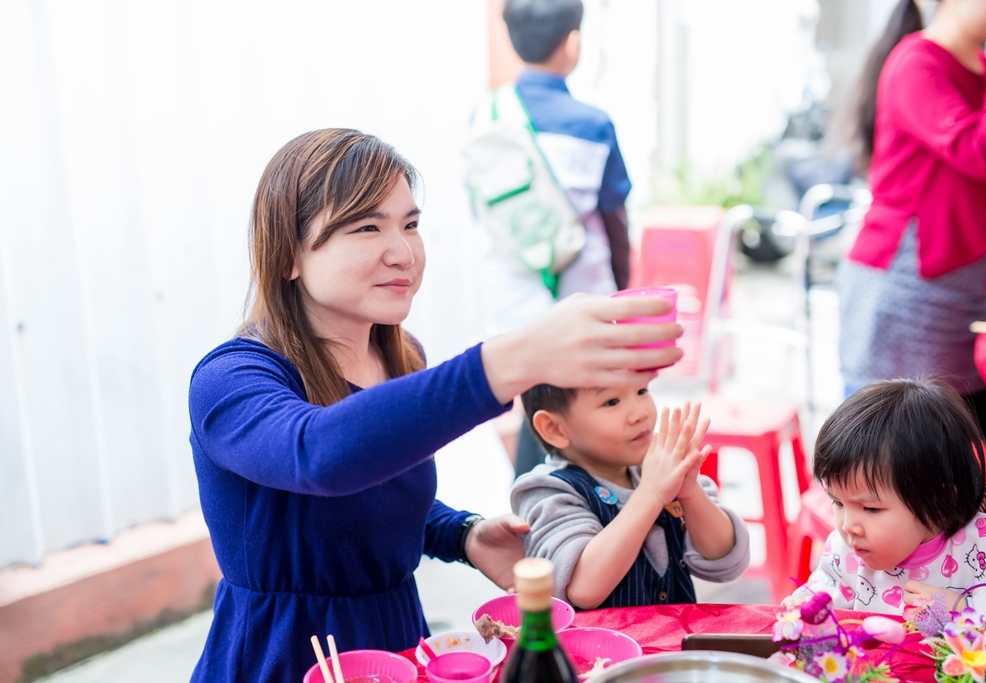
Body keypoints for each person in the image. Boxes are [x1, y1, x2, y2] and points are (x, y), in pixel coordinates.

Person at [186, 128, 684, 681]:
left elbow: (370, 492)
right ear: (288, 255)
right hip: (282, 655)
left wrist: (462, 534)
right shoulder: (231, 379)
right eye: (367, 227)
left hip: (400, 643)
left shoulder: (402, 356)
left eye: (410, 225)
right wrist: (513, 359)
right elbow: (321, 455)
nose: (403, 253)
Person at [839, 0, 986, 485]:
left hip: (963, 283)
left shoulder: (984, 70)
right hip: (907, 289)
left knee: (963, 455)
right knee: (887, 460)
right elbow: (980, 150)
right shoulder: (916, 63)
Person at [471, 0, 635, 479]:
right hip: (580, 293)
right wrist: (621, 285)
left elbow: (481, 207)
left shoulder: (485, 116)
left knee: (528, 399)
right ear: (572, 42)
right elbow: (614, 215)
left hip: (511, 290)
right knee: (588, 407)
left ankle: (529, 499)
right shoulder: (592, 124)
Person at [786, 378, 986, 621]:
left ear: (939, 501)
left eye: (870, 508)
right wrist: (808, 602)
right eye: (838, 503)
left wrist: (963, 607)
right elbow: (826, 588)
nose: (848, 526)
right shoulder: (845, 550)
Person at [509, 386, 750, 609]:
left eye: (641, 390)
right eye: (612, 401)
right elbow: (583, 588)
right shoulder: (548, 490)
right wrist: (651, 493)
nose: (640, 413)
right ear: (555, 428)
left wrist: (690, 492)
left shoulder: (658, 467)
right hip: (599, 643)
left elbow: (726, 563)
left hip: (673, 640)